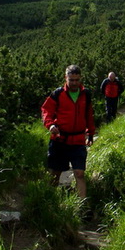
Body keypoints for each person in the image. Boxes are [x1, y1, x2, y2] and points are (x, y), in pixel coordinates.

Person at [41, 65, 96, 199]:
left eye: (77, 80)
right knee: (55, 173)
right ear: (66, 78)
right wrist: (50, 125)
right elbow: (46, 110)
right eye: (71, 80)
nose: (74, 83)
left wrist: (90, 134)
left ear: (80, 78)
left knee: (79, 173)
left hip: (78, 140)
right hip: (60, 140)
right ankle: (50, 201)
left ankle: (82, 206)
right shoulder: (58, 94)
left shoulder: (85, 94)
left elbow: (88, 115)